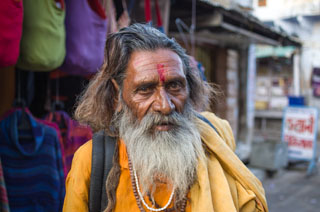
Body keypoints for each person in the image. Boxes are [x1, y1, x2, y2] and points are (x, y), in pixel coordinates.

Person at [63, 23, 268, 212]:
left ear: (189, 87)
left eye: (174, 86)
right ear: (117, 95)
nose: (165, 105)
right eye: (145, 89)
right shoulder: (92, 161)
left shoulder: (215, 144)